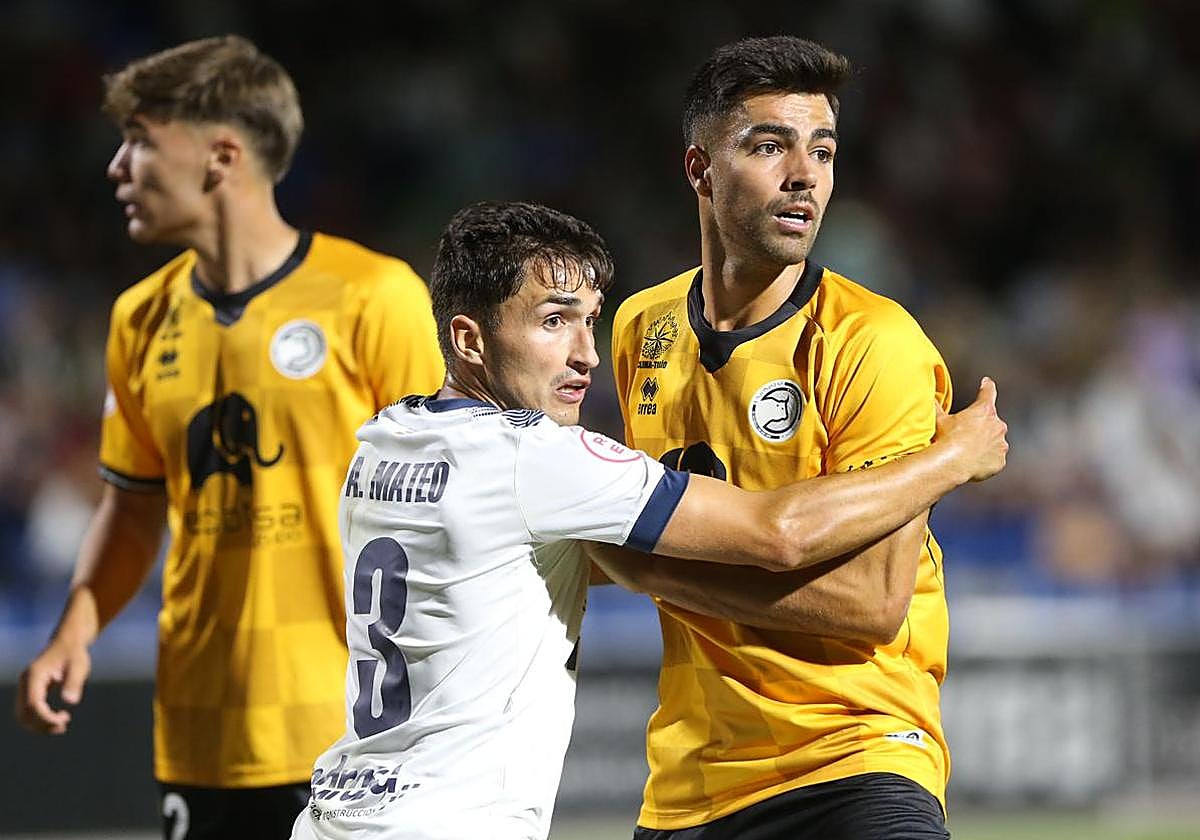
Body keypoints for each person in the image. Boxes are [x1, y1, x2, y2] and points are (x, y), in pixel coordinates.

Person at [288, 200, 1006, 840]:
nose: (585, 356)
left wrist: (647, 569)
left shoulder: (378, 448)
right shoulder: (533, 459)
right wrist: (953, 459)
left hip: (335, 812)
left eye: (588, 321)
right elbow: (777, 532)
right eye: (552, 321)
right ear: (470, 341)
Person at [13, 35, 444, 840]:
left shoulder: (375, 298)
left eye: (139, 140)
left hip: (361, 731)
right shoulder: (138, 319)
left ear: (219, 155)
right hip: (200, 730)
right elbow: (133, 506)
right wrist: (74, 632)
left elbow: (456, 504)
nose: (116, 166)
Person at [599, 36, 980, 839]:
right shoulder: (640, 326)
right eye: (770, 146)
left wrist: (649, 571)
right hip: (689, 782)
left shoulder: (875, 342)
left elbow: (871, 602)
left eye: (824, 150)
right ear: (701, 171)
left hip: (857, 759)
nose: (805, 174)